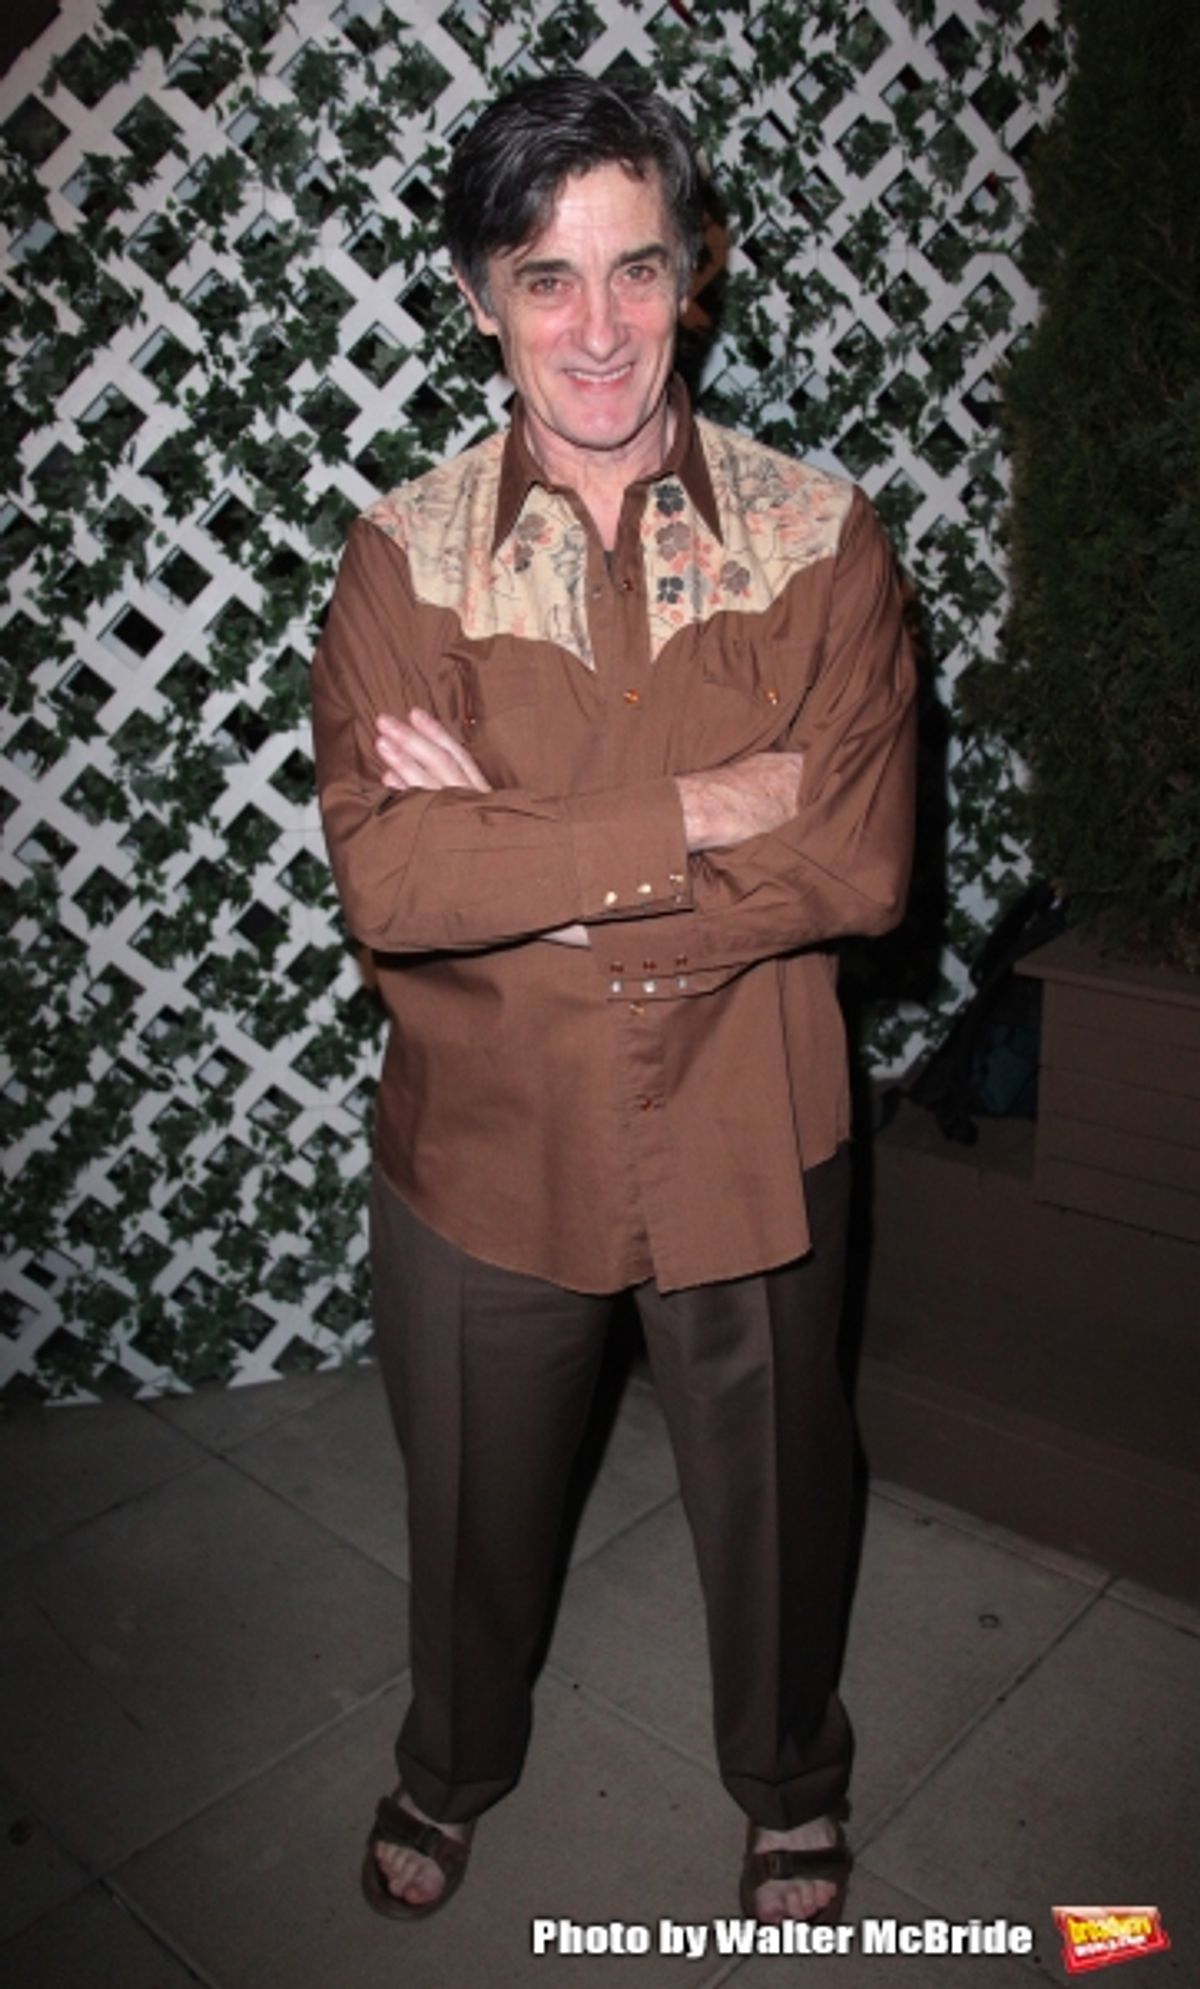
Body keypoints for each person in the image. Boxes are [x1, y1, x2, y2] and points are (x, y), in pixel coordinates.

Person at [311, 70, 916, 1927]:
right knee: (475, 1509)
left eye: (638, 271)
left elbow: (859, 865)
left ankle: (790, 1778)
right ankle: (452, 1761)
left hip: (756, 1128)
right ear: (483, 295)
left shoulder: (822, 539)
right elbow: (393, 882)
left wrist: (541, 865)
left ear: (692, 277)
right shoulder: (403, 558)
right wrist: (690, 815)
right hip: (488, 1147)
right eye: (547, 277)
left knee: (780, 1500)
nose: (599, 328)